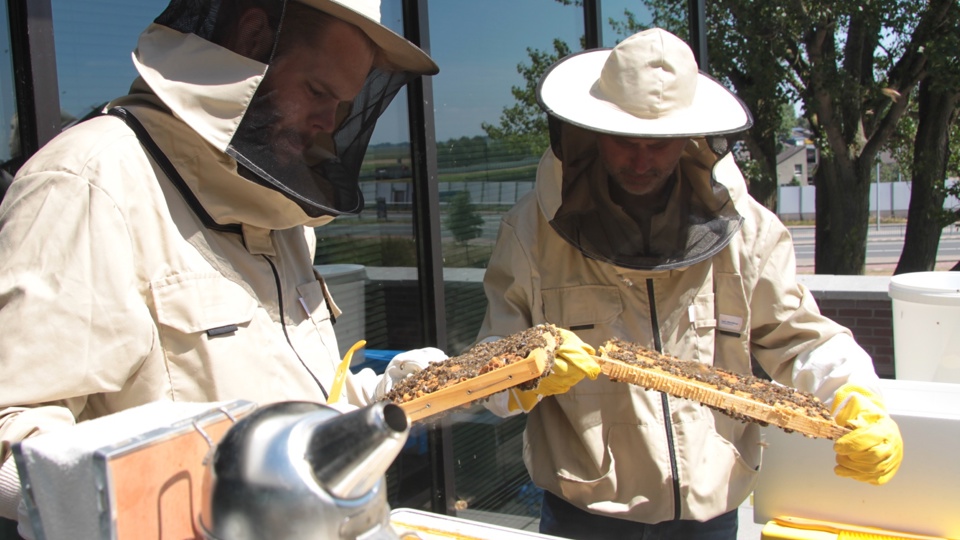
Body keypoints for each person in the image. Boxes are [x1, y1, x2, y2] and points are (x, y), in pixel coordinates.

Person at [0, 0, 442, 532]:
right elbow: (12, 441)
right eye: (318, 92)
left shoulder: (279, 211)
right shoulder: (88, 184)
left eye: (342, 104)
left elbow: (284, 399)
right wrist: (206, 497)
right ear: (253, 37)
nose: (329, 123)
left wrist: (385, 397)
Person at [478, 28, 903, 539]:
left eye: (659, 143)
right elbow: (489, 365)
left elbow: (800, 338)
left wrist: (856, 396)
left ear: (692, 137)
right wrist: (528, 372)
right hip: (584, 512)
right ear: (589, 132)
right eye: (623, 140)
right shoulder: (530, 234)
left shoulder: (752, 232)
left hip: (711, 513)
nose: (641, 161)